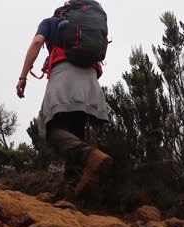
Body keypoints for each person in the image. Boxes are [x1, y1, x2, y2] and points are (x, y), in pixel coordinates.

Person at [16, 0, 113, 199]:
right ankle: (71, 194)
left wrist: (23, 76)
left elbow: (36, 43)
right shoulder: (92, 24)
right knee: (75, 133)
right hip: (90, 82)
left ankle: (89, 155)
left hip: (64, 78)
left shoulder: (50, 21)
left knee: (52, 130)